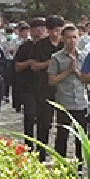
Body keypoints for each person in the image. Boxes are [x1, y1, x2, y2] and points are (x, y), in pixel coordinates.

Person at [47, 24, 90, 160]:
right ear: (63, 39)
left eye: (74, 37)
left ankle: (80, 164)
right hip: (64, 102)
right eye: (68, 37)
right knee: (62, 136)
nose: (72, 40)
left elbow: (87, 79)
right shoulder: (56, 57)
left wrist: (76, 70)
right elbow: (52, 80)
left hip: (81, 102)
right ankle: (61, 164)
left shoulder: (84, 56)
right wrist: (68, 71)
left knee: (81, 138)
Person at [29, 16, 64, 160]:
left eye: (58, 30)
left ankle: (60, 156)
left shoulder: (64, 44)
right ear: (47, 31)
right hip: (44, 87)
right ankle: (41, 155)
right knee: (44, 123)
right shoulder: (40, 45)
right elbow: (33, 66)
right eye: (52, 31)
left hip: (62, 89)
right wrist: (49, 63)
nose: (55, 34)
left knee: (62, 125)